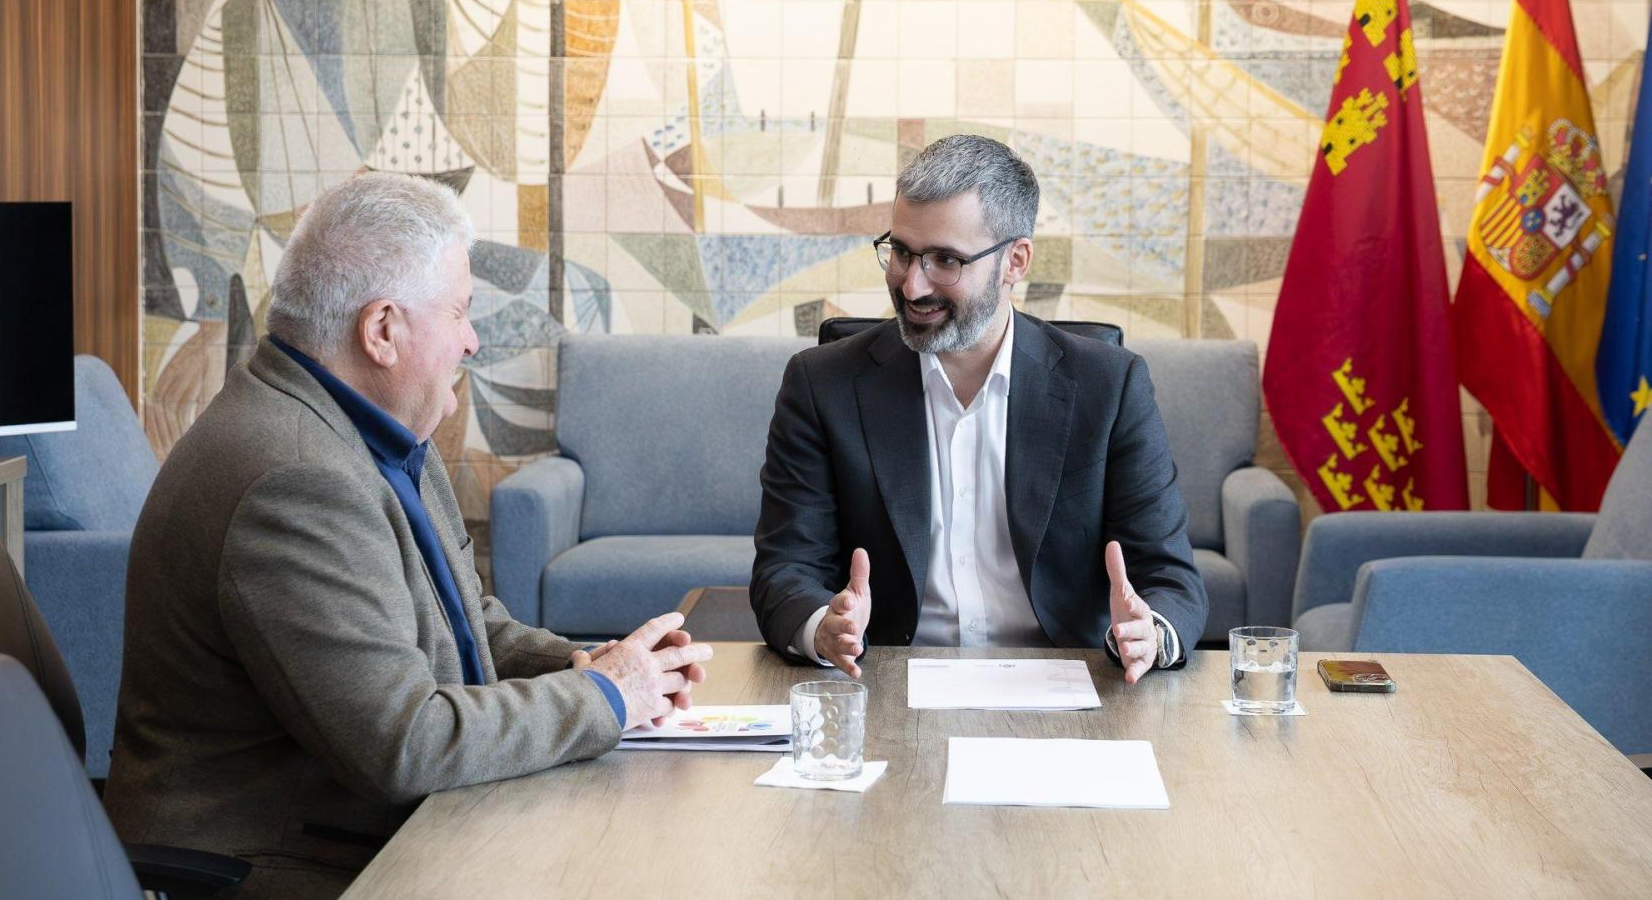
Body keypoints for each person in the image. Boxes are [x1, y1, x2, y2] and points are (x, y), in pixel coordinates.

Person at [103, 173, 710, 899]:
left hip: (373, 827)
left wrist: (587, 663)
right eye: (459, 312)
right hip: (274, 865)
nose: (473, 340)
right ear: (382, 329)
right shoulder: (294, 481)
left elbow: (465, 625)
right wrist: (604, 698)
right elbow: (405, 743)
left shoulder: (361, 430)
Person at [751, 134, 1206, 683]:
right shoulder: (822, 385)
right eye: (900, 252)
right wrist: (822, 626)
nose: (912, 284)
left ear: (1015, 261)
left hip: (1071, 683)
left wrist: (1149, 632)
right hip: (887, 683)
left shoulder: (1109, 387)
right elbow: (785, 569)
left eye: (946, 260)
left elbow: (1171, 578)